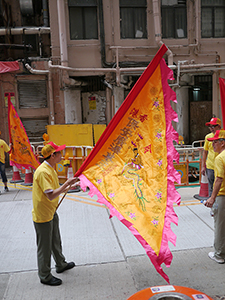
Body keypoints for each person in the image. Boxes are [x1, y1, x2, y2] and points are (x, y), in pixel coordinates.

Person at [32, 141, 80, 286]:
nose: (61, 155)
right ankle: (45, 275)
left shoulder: (51, 168)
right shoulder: (42, 172)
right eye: (59, 152)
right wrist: (67, 184)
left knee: (55, 241)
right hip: (43, 216)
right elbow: (51, 195)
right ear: (53, 155)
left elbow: (56, 188)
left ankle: (60, 264)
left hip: (51, 211)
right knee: (45, 247)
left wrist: (72, 185)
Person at [205, 129, 225, 264]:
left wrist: (212, 198)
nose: (213, 145)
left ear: (222, 143)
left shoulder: (220, 158)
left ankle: (219, 254)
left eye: (215, 142)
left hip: (222, 196)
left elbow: (219, 179)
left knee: (220, 226)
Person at [201, 117, 221, 197]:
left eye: (213, 126)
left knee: (221, 187)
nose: (211, 128)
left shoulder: (223, 135)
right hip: (211, 166)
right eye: (210, 126)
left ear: (218, 126)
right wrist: (203, 166)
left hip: (221, 166)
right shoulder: (208, 137)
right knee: (211, 188)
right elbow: (205, 151)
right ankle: (212, 207)